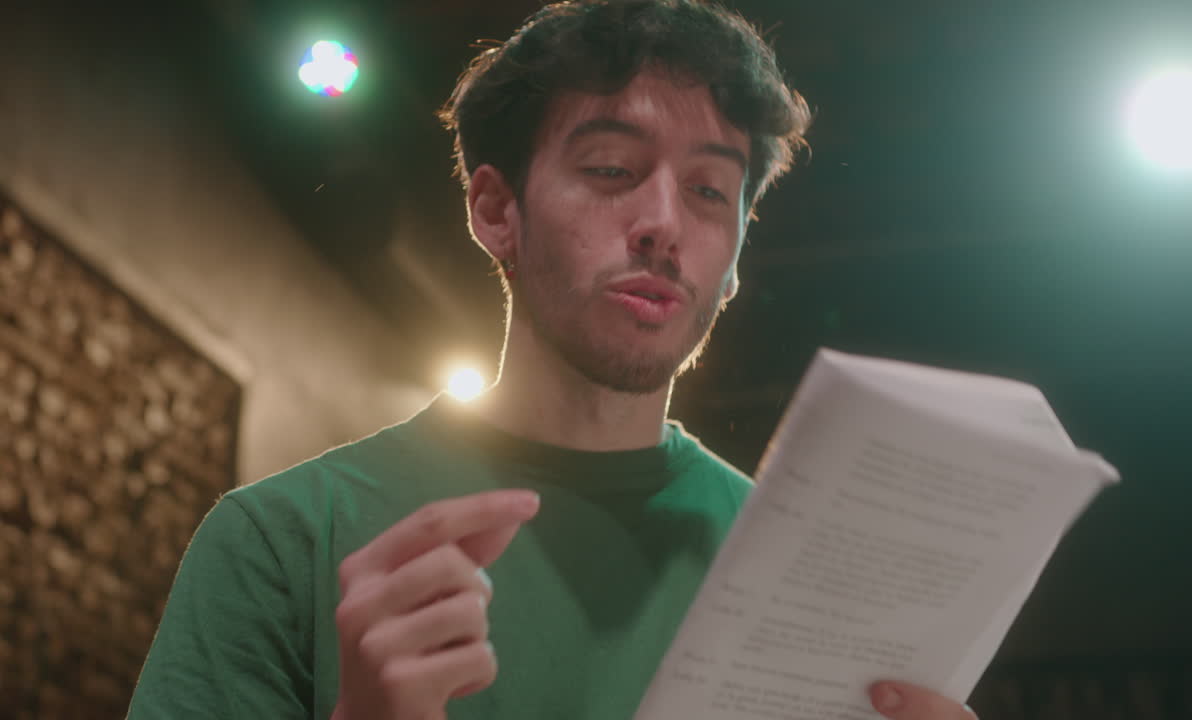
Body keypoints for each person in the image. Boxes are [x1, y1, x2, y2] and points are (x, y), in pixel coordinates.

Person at [127, 1, 976, 718]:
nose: (663, 224)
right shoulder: (283, 542)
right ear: (497, 211)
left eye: (711, 192)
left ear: (737, 260)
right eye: (612, 168)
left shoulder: (797, 576)